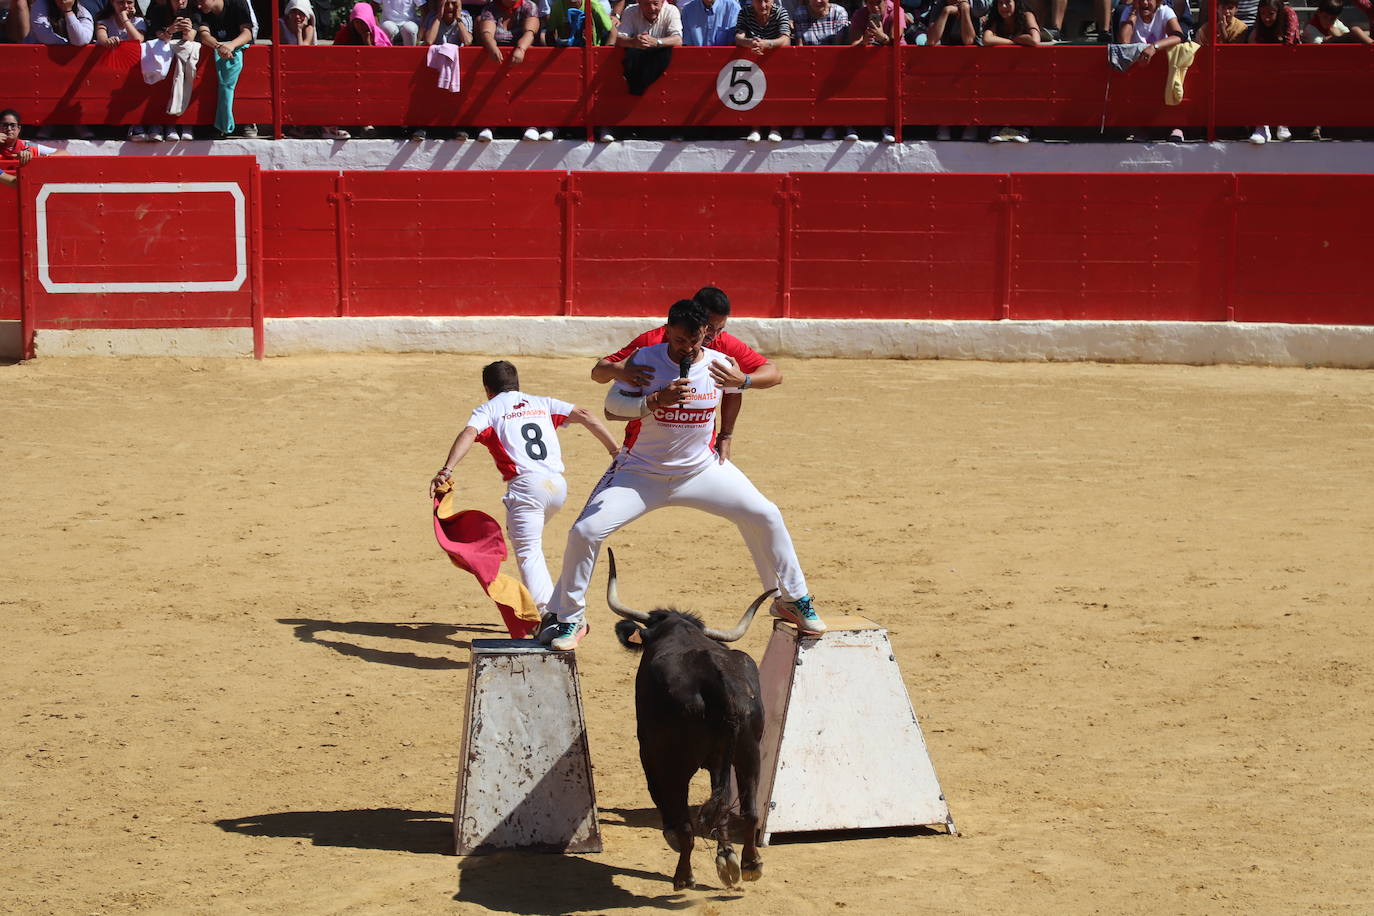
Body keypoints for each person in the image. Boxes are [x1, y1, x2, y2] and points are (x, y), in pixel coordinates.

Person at [542, 299, 825, 651]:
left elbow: (744, 389)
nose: (686, 349)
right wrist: (655, 400)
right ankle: (571, 619)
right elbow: (612, 409)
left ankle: (793, 599)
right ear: (668, 331)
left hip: (700, 470)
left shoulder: (722, 363)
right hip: (641, 473)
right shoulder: (646, 358)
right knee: (584, 531)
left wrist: (737, 403)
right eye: (678, 341)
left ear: (705, 333)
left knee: (766, 513)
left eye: (693, 342)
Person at [428, 361, 619, 617]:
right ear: (517, 383)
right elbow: (585, 414)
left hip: (526, 487)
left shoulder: (489, 409)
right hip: (557, 487)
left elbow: (469, 433)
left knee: (528, 549)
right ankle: (552, 603)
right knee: (529, 540)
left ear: (488, 389)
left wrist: (447, 469)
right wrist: (615, 451)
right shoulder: (542, 402)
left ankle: (548, 614)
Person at [591, 286, 781, 465]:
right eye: (710, 327)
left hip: (698, 448)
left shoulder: (723, 344)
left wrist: (744, 381)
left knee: (731, 378)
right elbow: (598, 374)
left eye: (719, 329)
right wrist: (619, 371)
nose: (713, 336)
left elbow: (774, 374)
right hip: (646, 442)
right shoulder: (652, 342)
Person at [476, 0, 546, 140]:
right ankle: (488, 123)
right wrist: (492, 47)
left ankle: (530, 124)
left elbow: (530, 33)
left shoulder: (528, 6)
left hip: (523, 54)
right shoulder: (491, 8)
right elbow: (487, 33)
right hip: (496, 57)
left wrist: (521, 49)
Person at [196, 0, 257, 138]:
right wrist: (219, 47)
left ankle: (247, 121)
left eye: (202, 0)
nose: (199, 5)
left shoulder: (237, 3)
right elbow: (204, 35)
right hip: (219, 51)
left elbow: (247, 34)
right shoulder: (202, 10)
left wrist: (230, 46)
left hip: (237, 51)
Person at [982, 0, 1039, 144]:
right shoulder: (995, 19)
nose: (1003, 7)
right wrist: (1013, 42)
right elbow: (987, 39)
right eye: (1000, 3)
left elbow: (1035, 40)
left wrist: (1007, 40)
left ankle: (1025, 129)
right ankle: (998, 128)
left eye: (1007, 2)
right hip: (1001, 70)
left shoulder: (1026, 15)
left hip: (1026, 69)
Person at [734, 0, 790, 143]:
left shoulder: (780, 12)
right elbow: (739, 37)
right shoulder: (745, 12)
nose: (763, 5)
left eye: (767, 1)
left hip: (776, 61)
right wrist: (751, 43)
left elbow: (785, 39)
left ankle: (775, 127)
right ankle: (755, 127)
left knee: (776, 90)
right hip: (753, 58)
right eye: (759, 1)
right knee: (753, 89)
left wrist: (767, 44)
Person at [1, 108, 67, 187]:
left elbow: (65, 153)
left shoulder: (28, 146)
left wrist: (42, 159)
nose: (9, 129)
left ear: (19, 129)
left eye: (13, 125)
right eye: (5, 125)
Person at [1303, 0, 1370, 43]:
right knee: (1355, 31)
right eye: (1325, 17)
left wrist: (1337, 35)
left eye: (1332, 18)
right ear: (1318, 13)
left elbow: (1348, 34)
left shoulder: (1336, 22)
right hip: (1323, 57)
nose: (1328, 21)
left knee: (1355, 30)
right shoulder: (1310, 28)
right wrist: (1337, 36)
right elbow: (1319, 46)